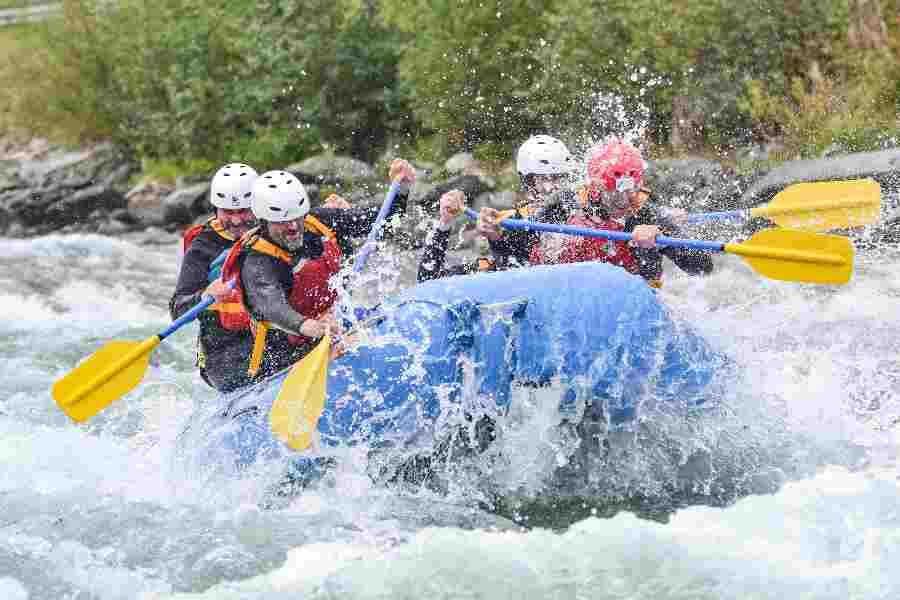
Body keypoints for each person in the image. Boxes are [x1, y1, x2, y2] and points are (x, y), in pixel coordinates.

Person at [222, 159, 416, 381]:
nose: (293, 227)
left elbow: (386, 224)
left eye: (297, 217)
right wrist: (309, 326)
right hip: (284, 354)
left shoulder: (316, 221)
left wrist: (402, 189)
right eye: (283, 221)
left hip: (334, 323)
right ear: (264, 220)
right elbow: (272, 305)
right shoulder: (257, 262)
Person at [479, 137, 712, 286]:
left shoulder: (645, 214)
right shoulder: (565, 204)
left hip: (630, 304)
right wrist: (496, 235)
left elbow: (704, 267)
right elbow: (516, 254)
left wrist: (661, 242)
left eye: (631, 190)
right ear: (596, 185)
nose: (624, 200)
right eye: (615, 192)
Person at [417, 134, 576, 282]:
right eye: (548, 178)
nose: (556, 186)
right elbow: (428, 280)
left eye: (561, 178)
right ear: (530, 182)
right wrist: (445, 223)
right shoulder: (509, 221)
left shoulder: (579, 208)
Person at [169, 162, 260, 393]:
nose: (237, 220)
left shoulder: (278, 226)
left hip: (275, 335)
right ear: (216, 209)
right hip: (224, 353)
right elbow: (177, 308)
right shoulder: (203, 248)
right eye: (228, 212)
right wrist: (205, 295)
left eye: (244, 210)